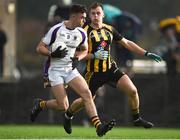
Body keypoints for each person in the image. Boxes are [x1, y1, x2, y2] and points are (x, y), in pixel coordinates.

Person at [62, 2, 162, 132]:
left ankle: (136, 119)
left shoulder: (109, 29)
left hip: (110, 69)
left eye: (98, 13)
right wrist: (93, 55)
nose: (96, 16)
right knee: (85, 100)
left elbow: (127, 43)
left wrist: (146, 53)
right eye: (93, 13)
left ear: (103, 14)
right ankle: (68, 114)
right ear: (89, 16)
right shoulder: (83, 31)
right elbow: (75, 54)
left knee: (132, 91)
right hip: (93, 73)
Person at [30, 4, 115, 137]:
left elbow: (84, 49)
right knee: (62, 106)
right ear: (74, 16)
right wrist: (52, 54)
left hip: (70, 69)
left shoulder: (81, 32)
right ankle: (40, 104)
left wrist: (78, 57)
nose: (84, 21)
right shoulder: (56, 29)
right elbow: (39, 48)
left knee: (87, 94)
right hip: (55, 70)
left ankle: (99, 126)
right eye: (82, 18)